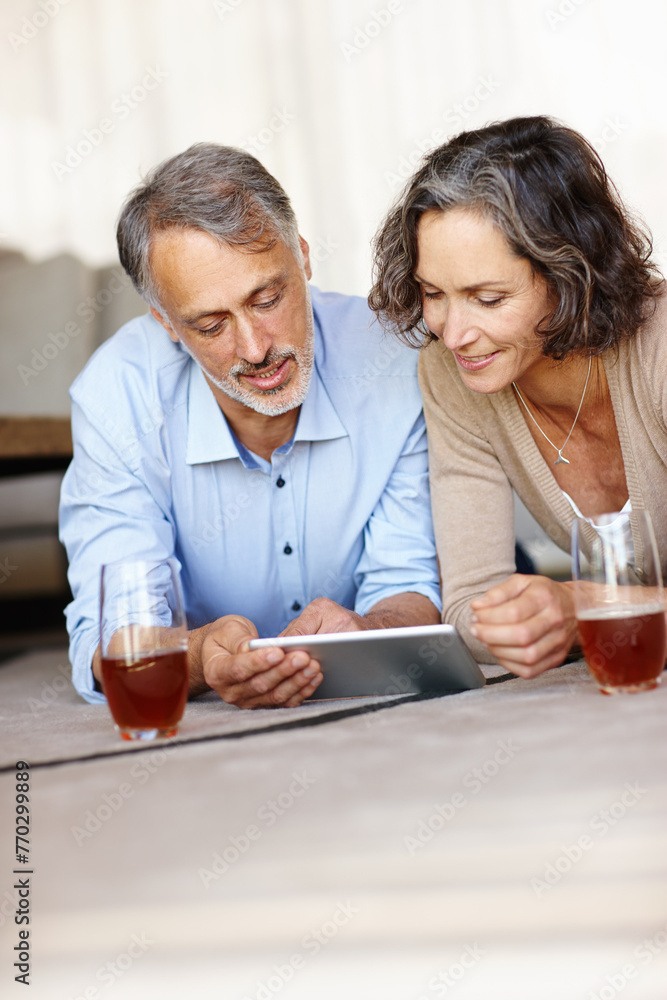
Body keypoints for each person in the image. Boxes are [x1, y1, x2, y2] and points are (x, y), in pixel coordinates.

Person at [59, 143, 442, 709]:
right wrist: (197, 656)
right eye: (211, 325)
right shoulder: (116, 395)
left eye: (267, 298)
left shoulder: (395, 359)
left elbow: (410, 581)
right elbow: (116, 637)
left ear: (304, 258)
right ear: (165, 322)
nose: (256, 348)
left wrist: (372, 629)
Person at [369, 115, 665, 679]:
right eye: (434, 294)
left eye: (487, 298)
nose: (453, 334)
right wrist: (523, 626)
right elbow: (469, 603)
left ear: (571, 274)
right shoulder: (451, 374)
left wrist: (584, 612)